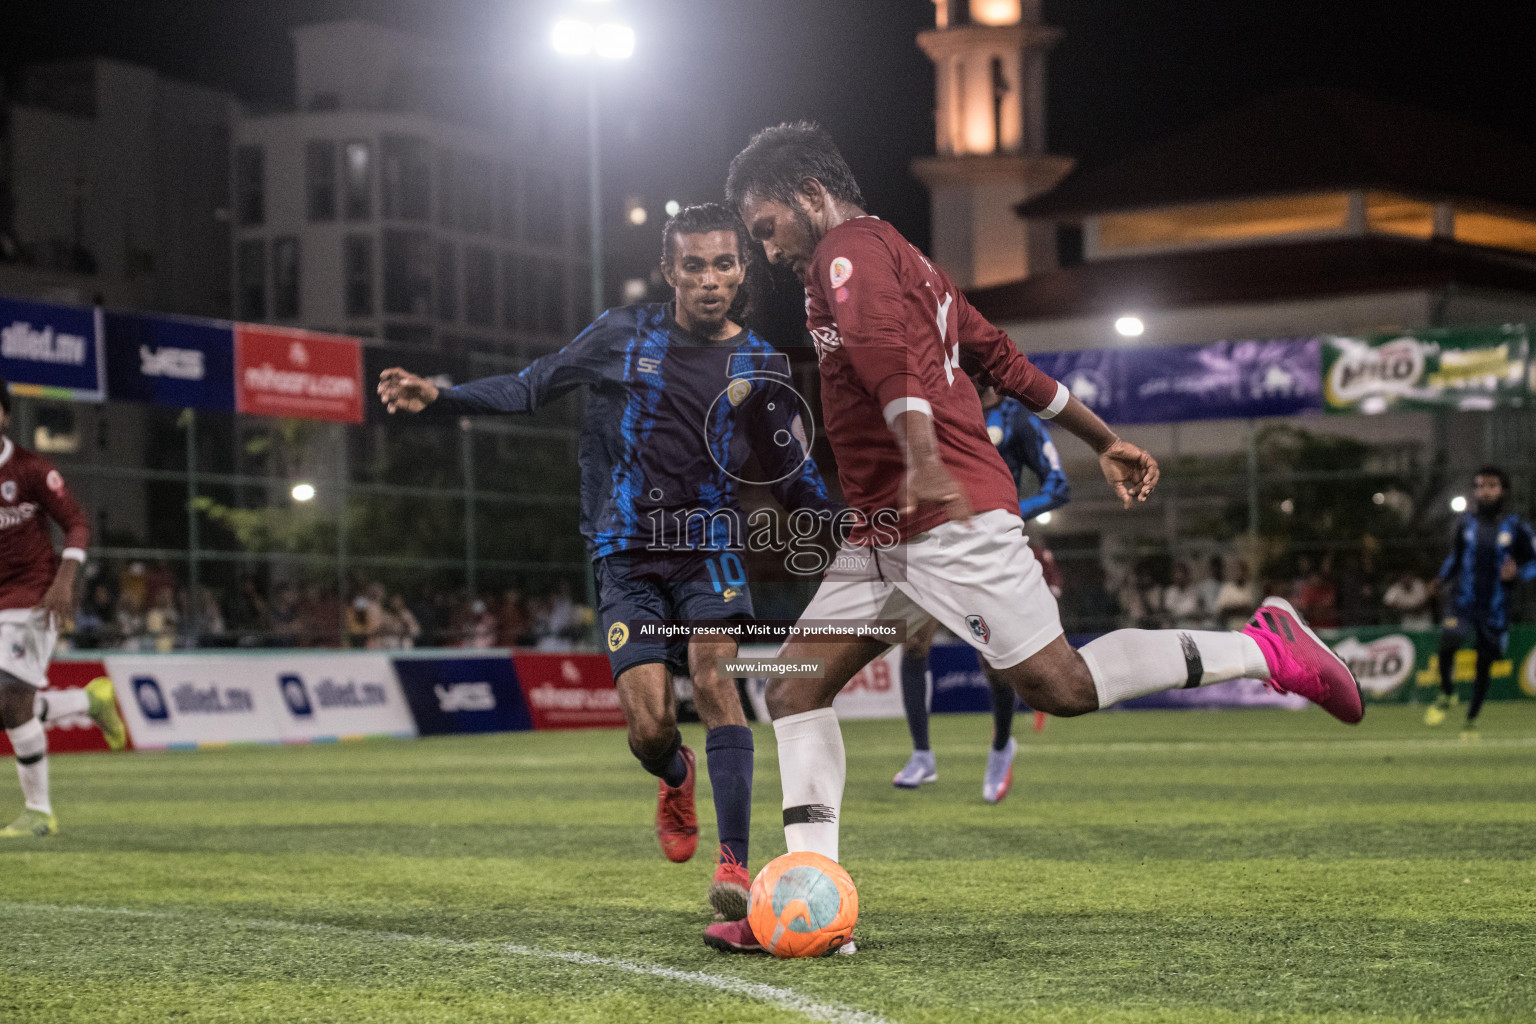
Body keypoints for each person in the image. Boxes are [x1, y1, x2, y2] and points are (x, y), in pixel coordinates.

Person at [703, 122, 1361, 953]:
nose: (767, 250)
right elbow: (1002, 359)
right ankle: (806, 911)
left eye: (766, 228)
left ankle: (1267, 649)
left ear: (805, 194)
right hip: (881, 529)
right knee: (794, 690)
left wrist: (921, 457)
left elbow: (885, 363)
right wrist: (1103, 437)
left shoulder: (850, 253)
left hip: (946, 516)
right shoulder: (906, 261)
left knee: (1064, 686)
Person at [379, 204, 840, 929]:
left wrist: (841, 526)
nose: (710, 280)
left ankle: (733, 864)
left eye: (724, 264)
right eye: (694, 266)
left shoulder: (761, 363)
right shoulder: (623, 335)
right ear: (670, 271)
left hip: (708, 546)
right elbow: (533, 385)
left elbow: (790, 470)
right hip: (624, 552)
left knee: (718, 679)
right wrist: (443, 396)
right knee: (650, 726)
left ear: (743, 270)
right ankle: (675, 774)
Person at [893, 377, 1070, 803]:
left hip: (990, 550)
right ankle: (921, 754)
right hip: (931, 544)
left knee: (994, 660)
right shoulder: (933, 412)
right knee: (914, 644)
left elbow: (1058, 485)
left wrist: (1006, 511)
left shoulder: (1015, 419)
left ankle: (1001, 746)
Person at [0, 378, 125, 838]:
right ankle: (86, 699)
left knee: (9, 701)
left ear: (5, 416)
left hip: (34, 596)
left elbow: (75, 521)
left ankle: (39, 812)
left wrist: (65, 578)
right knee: (10, 704)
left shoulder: (31, 469)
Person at [1425, 466, 1536, 737]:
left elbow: (1534, 561)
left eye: (1492, 486)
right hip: (1462, 602)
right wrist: (1441, 579)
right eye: (1480, 486)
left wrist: (1518, 572)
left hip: (1495, 609)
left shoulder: (1517, 527)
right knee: (1447, 644)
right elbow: (1457, 557)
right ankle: (1447, 693)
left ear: (1503, 490)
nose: (1485, 491)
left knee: (1483, 665)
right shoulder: (1466, 524)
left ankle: (1471, 720)